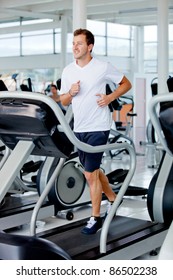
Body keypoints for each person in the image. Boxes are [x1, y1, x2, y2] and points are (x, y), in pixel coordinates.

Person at [60, 28, 132, 235]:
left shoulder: (102, 67)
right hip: (79, 127)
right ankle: (113, 198)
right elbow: (64, 101)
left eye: (79, 43)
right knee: (93, 171)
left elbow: (126, 84)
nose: (75, 47)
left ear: (89, 47)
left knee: (90, 174)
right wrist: (71, 93)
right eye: (73, 43)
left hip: (98, 127)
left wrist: (110, 98)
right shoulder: (68, 71)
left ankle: (95, 218)